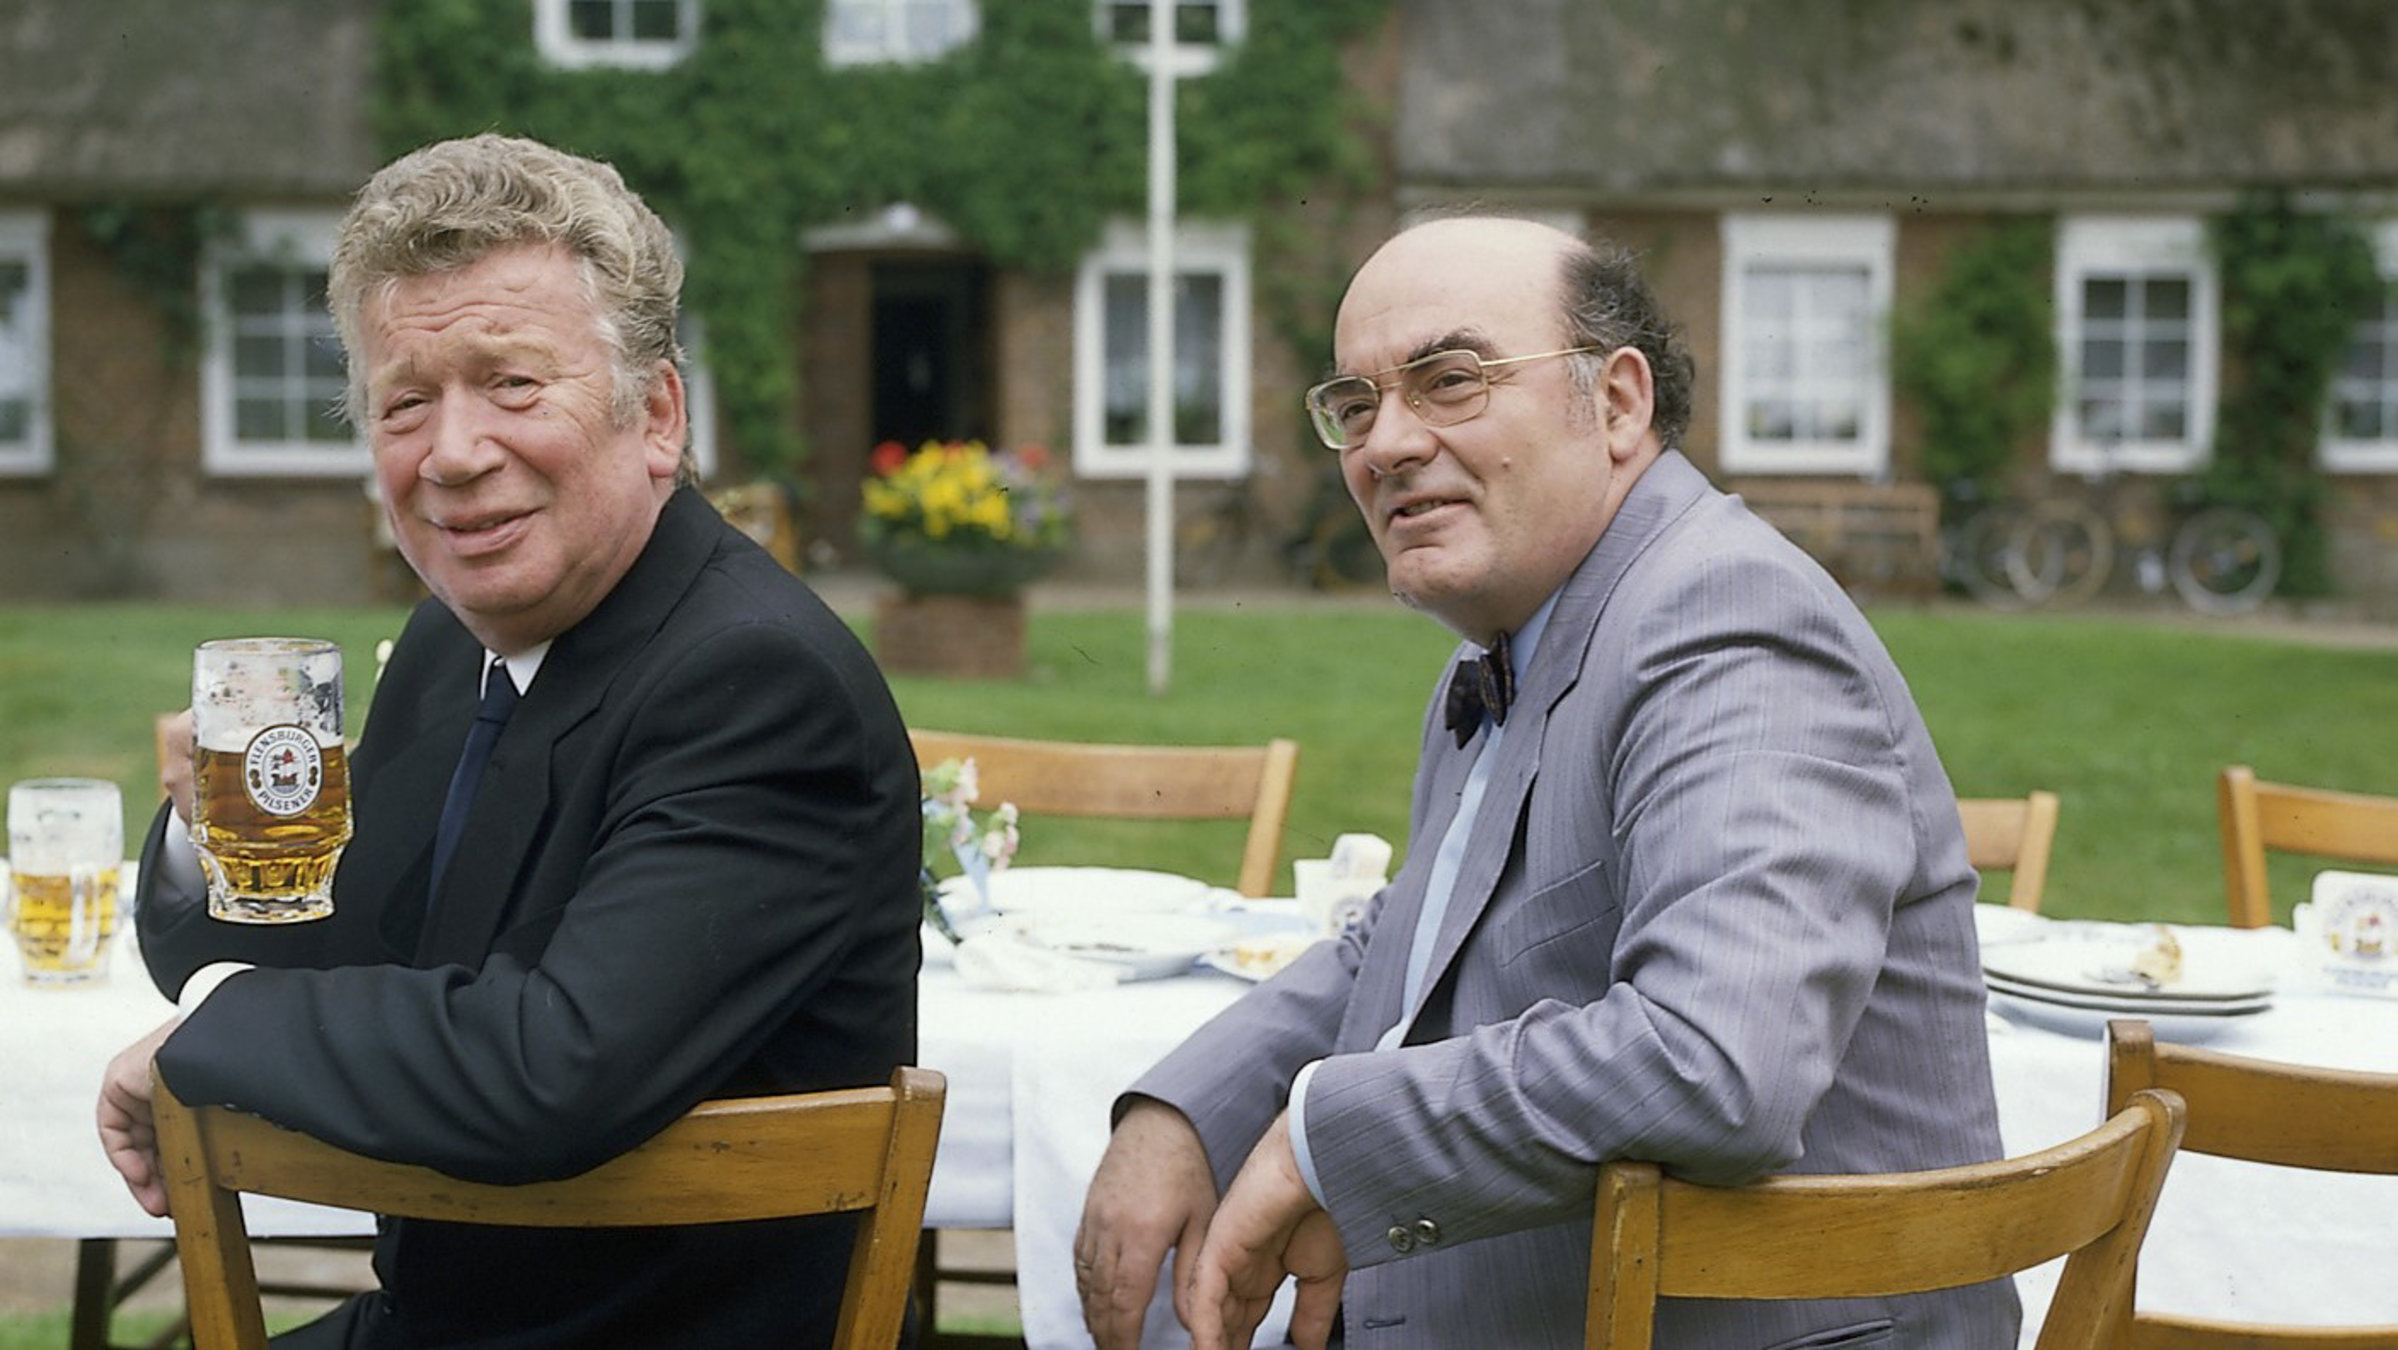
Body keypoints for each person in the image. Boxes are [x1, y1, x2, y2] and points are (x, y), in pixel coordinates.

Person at [1072, 215, 2017, 1350]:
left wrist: (1325, 1136)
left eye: (1450, 381)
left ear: (1616, 405)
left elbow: (1715, 1061)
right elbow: (1410, 944)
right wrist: (1189, 1112)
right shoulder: (1512, 642)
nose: (1385, 445)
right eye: (1355, 407)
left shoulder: (1724, 620)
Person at [96, 133, 923, 1349]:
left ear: (656, 414)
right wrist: (206, 841)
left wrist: (209, 1038)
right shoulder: (452, 640)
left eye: (514, 385)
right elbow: (330, 942)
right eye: (405, 403)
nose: (454, 455)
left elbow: (553, 1069)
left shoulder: (753, 680)